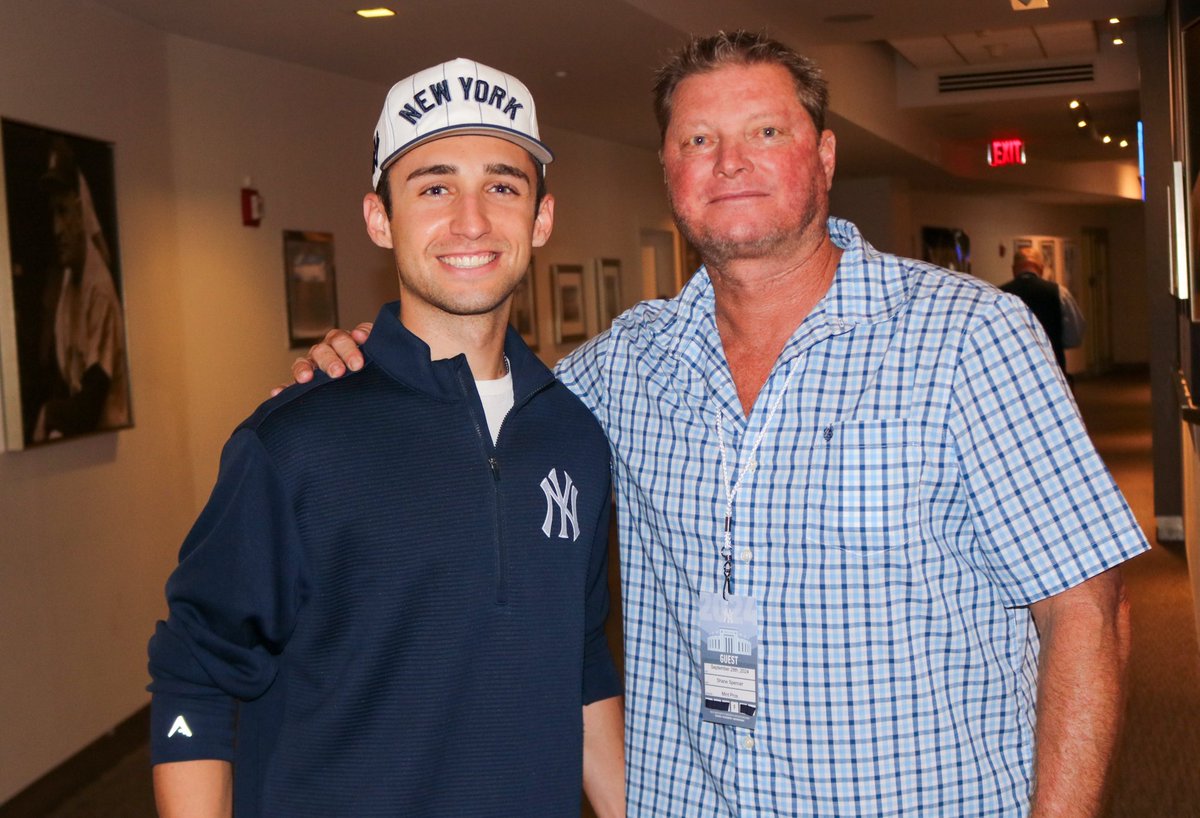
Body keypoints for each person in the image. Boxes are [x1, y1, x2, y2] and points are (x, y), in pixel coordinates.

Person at [295, 33, 1147, 817]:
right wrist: (372, 360)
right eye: (699, 141)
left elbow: (1087, 612)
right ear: (667, 171)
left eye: (766, 132)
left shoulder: (968, 338)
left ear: (823, 154)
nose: (730, 162)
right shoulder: (625, 365)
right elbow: (479, 405)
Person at [148, 58, 625, 818]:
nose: (470, 221)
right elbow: (196, 673)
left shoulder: (574, 436)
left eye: (502, 185)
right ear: (380, 218)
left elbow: (580, 659)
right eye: (434, 187)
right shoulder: (296, 440)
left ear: (541, 217)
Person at [34, 137, 130, 441]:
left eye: (63, 213)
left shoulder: (97, 290)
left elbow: (91, 402)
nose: (56, 229)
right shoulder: (67, 287)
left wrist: (49, 414)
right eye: (52, 215)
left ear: (80, 211)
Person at [1002, 245, 1085, 375]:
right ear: (1041, 268)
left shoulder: (999, 295)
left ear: (1013, 269)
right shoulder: (1059, 292)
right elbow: (1075, 335)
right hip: (1051, 369)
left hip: (1013, 370)